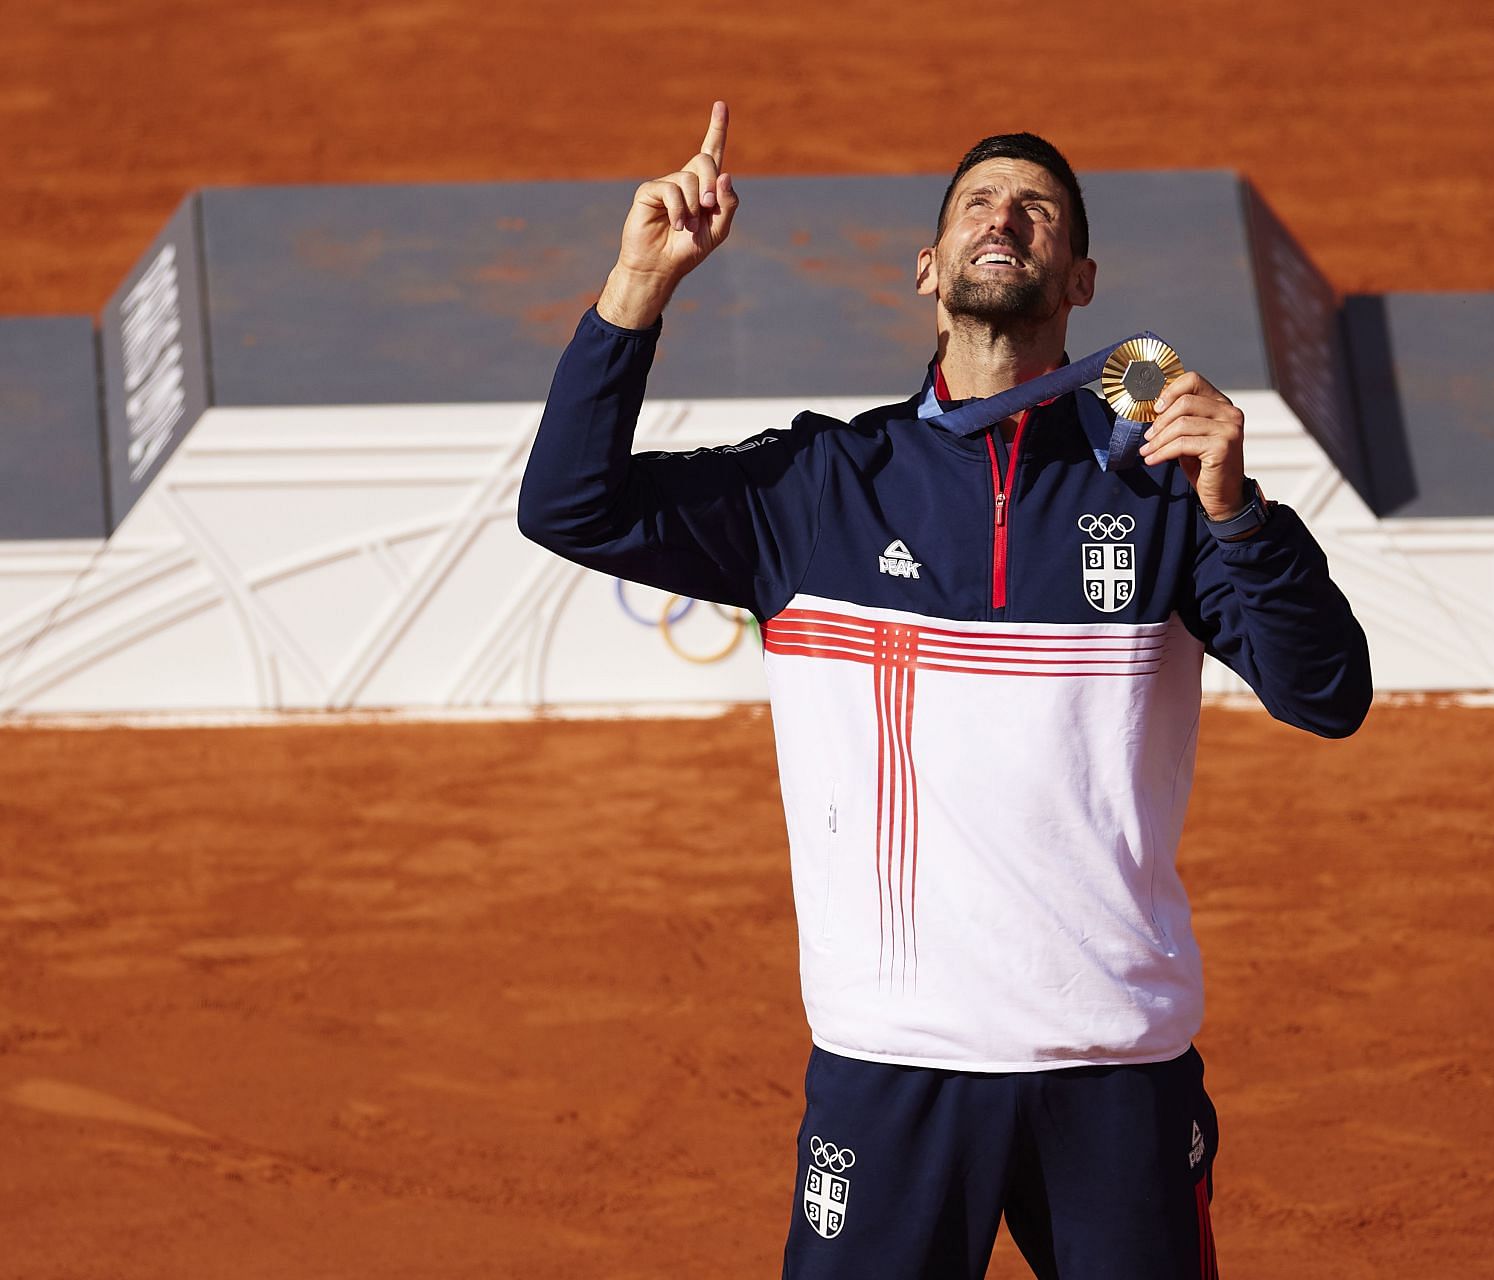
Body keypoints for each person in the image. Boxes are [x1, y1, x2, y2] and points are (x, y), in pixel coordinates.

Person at [518, 101, 1371, 1280]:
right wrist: (636, 286)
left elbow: (1327, 691)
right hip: (893, 1067)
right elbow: (569, 504)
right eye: (978, 202)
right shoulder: (819, 487)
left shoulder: (1166, 492)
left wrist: (1237, 507)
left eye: (1036, 209)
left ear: (1078, 279)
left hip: (1114, 1062)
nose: (1003, 217)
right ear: (927, 267)